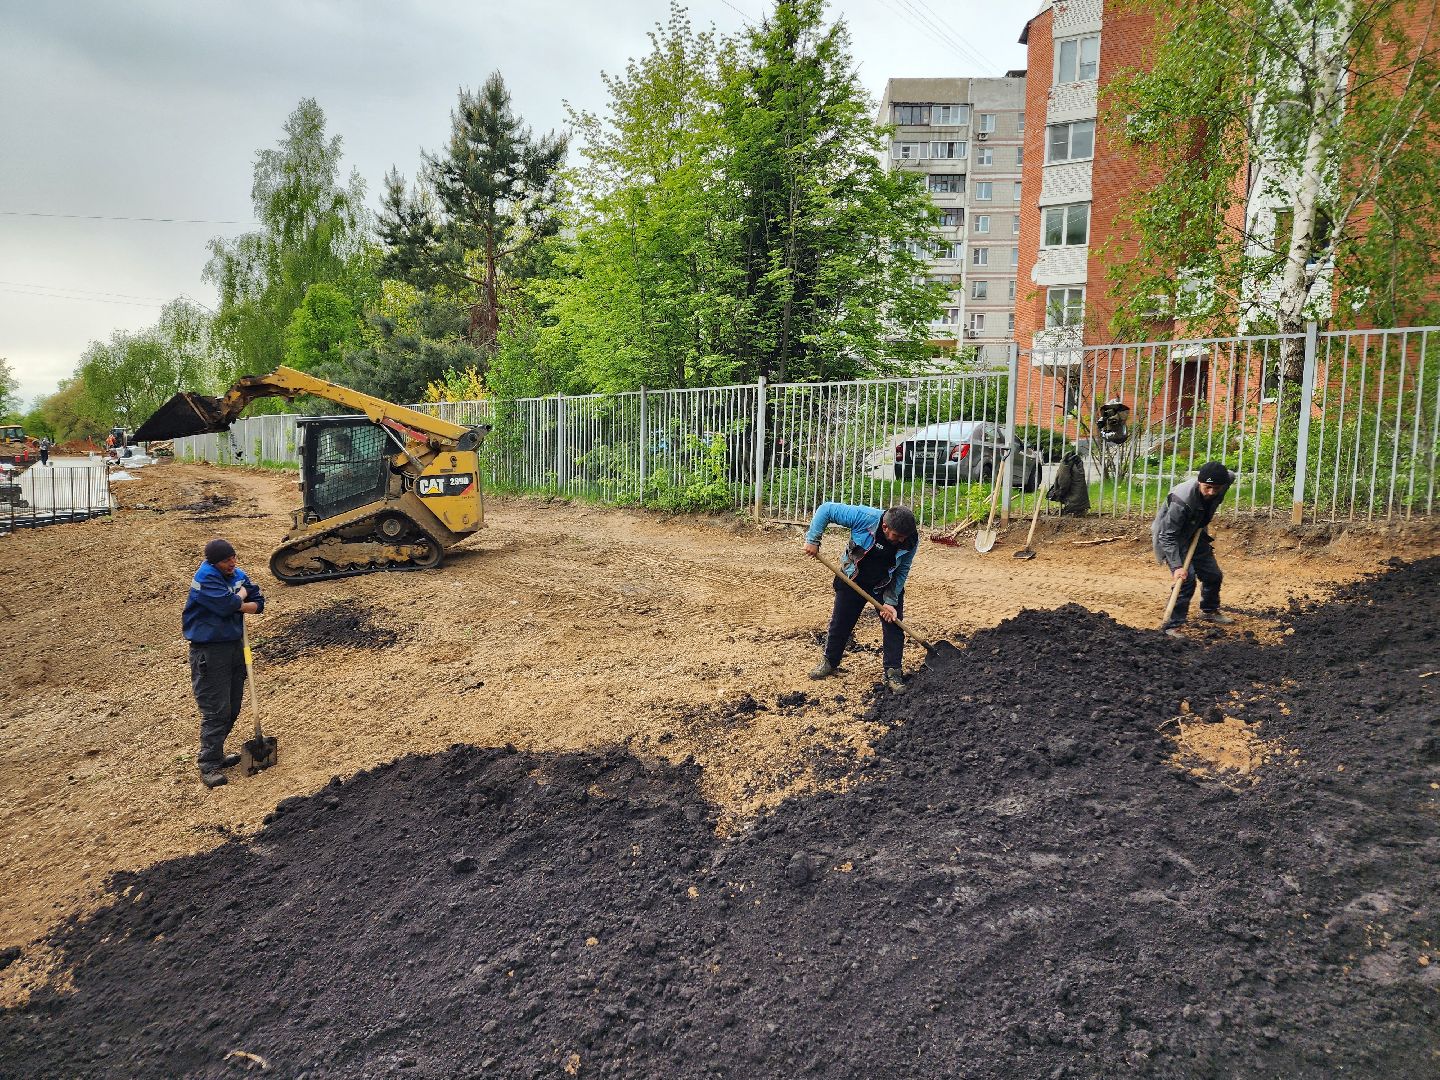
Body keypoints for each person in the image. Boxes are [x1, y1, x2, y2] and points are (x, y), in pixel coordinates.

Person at [803, 502, 919, 692]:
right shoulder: (864, 517)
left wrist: (891, 602)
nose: (900, 541)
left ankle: (893, 672)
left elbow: (902, 570)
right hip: (853, 578)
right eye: (896, 536)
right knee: (841, 621)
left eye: (903, 537)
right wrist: (813, 539)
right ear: (885, 527)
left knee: (894, 625)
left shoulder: (910, 539)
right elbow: (826, 510)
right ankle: (830, 662)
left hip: (885, 584)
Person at [182, 538, 265, 788]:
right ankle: (208, 764)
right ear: (213, 562)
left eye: (233, 557)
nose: (233, 563)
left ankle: (217, 752)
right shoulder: (205, 577)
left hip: (235, 646)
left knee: (233, 705)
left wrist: (238, 605)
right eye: (226, 561)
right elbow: (226, 605)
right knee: (215, 710)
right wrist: (240, 598)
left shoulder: (237, 573)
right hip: (209, 650)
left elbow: (259, 603)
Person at [1153, 461, 1236, 638]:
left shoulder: (1226, 480)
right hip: (1172, 538)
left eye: (1216, 488)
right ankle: (1172, 626)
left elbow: (1229, 474)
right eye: (1207, 487)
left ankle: (1208, 610)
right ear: (1199, 482)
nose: (1212, 492)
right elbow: (1167, 536)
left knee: (1213, 575)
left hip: (1196, 532)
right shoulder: (1181, 501)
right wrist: (1176, 567)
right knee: (1186, 579)